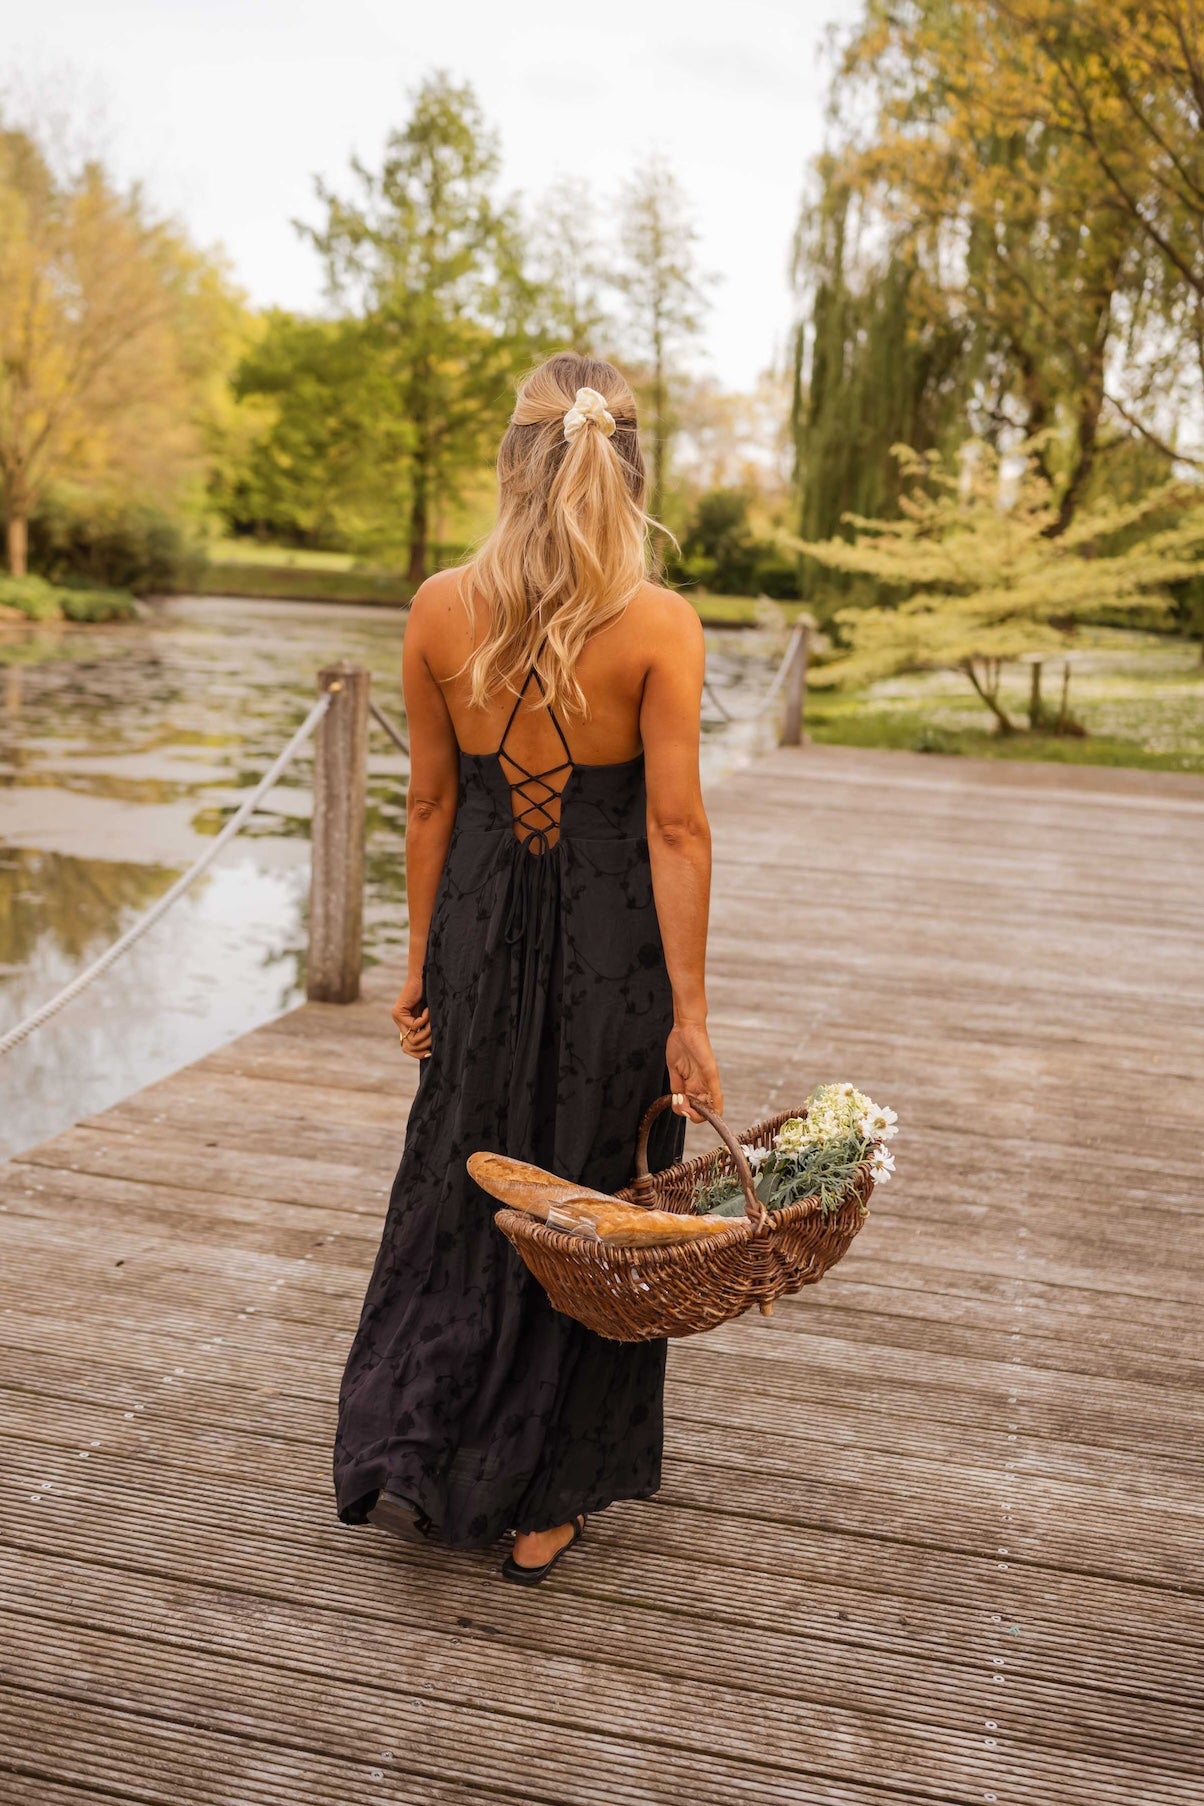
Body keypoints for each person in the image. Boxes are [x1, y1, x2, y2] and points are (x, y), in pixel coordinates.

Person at [333, 351, 722, 1584]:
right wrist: (693, 1017)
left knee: (465, 1171)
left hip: (480, 927)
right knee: (590, 1199)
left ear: (511, 462)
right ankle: (547, 1495)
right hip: (611, 949)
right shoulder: (658, 623)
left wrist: (417, 966)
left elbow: (433, 805)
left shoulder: (441, 608)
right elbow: (672, 828)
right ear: (629, 464)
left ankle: (428, 1435)